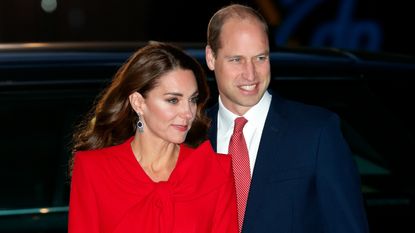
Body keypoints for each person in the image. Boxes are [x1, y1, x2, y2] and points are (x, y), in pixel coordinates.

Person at [205, 4, 369, 233]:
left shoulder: (317, 132)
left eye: (260, 58)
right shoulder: (189, 135)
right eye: (236, 60)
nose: (251, 74)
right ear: (211, 58)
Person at [68, 41, 238, 233]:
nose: (188, 113)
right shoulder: (94, 170)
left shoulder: (214, 172)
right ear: (139, 103)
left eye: (192, 100)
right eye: (173, 100)